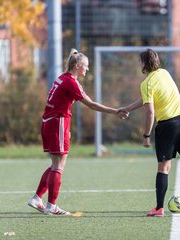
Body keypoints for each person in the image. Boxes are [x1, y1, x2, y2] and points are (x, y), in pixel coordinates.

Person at [27, 48, 128, 215]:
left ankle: (37, 198)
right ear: (77, 65)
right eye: (86, 65)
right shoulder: (70, 82)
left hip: (50, 122)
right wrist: (115, 111)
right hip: (57, 122)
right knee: (59, 165)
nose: (87, 69)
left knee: (55, 165)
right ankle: (51, 206)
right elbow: (92, 104)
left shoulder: (63, 78)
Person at [120, 49, 180, 217]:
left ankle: (159, 208)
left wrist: (146, 136)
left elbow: (150, 112)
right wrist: (128, 108)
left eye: (140, 61)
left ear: (144, 63)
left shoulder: (146, 84)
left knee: (164, 167)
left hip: (168, 126)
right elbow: (148, 99)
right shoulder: (165, 73)